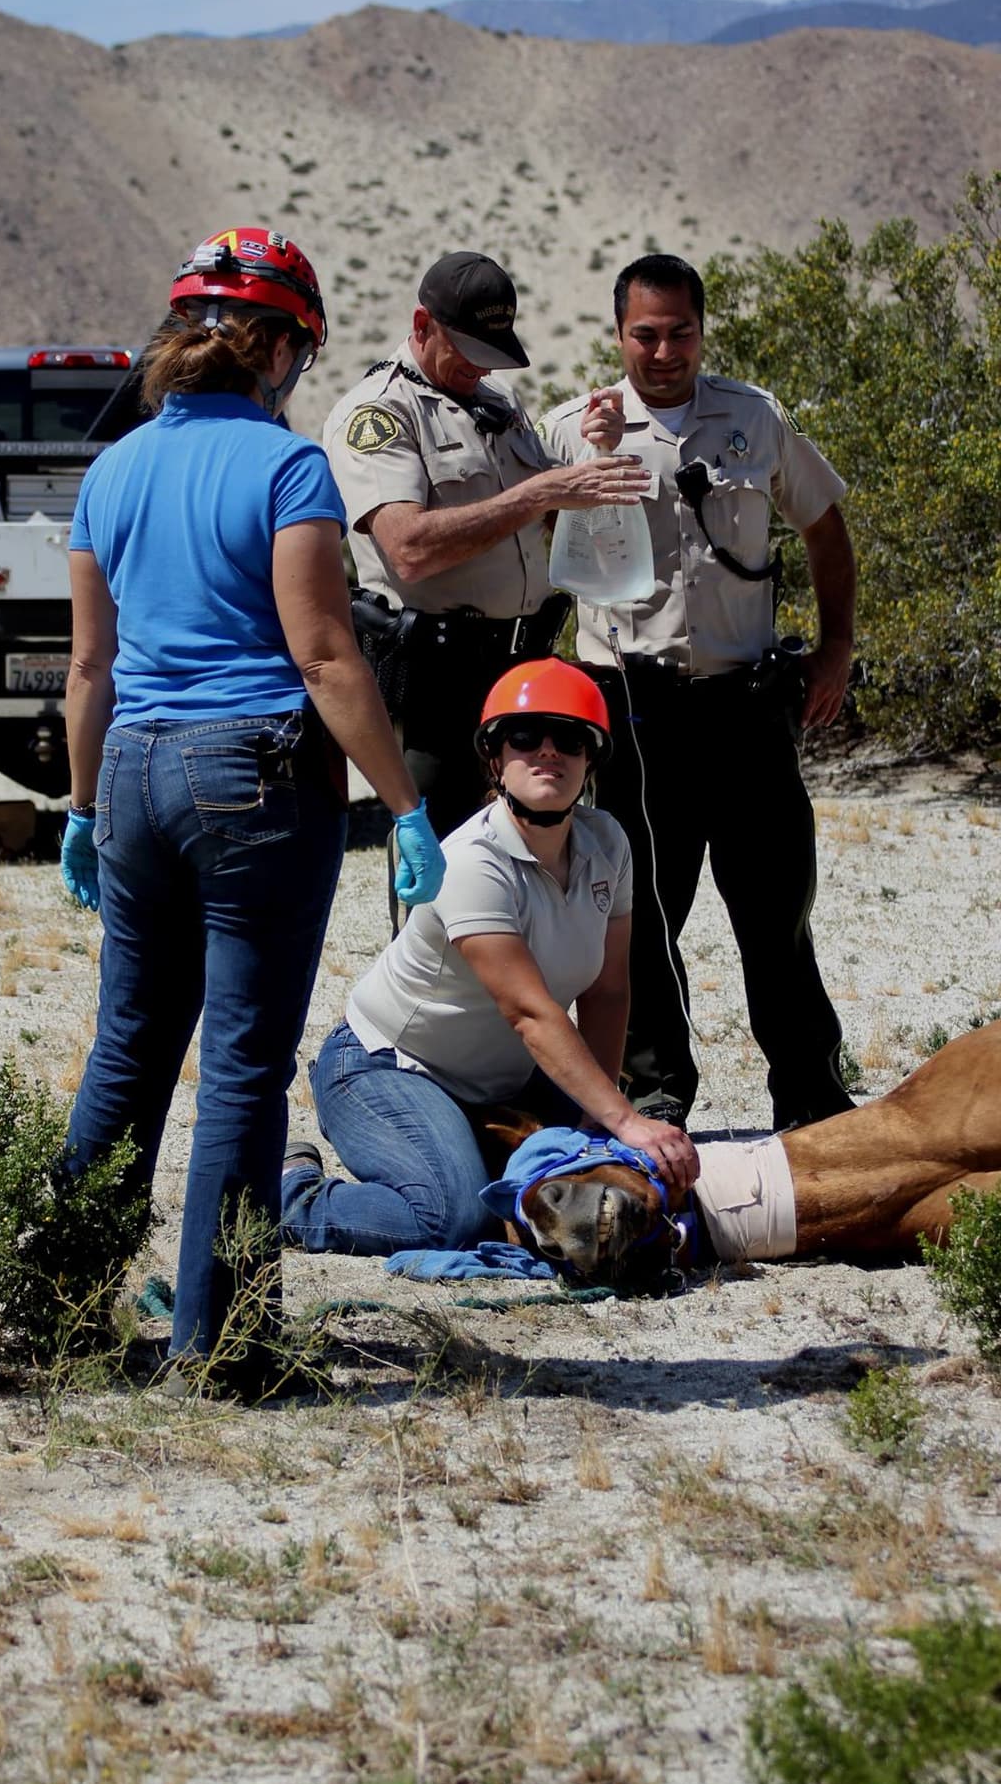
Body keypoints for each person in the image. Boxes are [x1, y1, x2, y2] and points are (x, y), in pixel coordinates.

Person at [58, 225, 445, 1396]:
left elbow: (88, 670)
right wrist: (405, 801)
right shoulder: (287, 469)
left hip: (130, 771)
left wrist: (79, 808)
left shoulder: (109, 469)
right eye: (300, 352)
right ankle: (221, 1355)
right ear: (276, 346)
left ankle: (57, 1307)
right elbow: (325, 654)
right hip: (252, 778)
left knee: (126, 1050)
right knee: (239, 1066)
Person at [539, 253, 856, 1134]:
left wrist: (836, 648)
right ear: (619, 335)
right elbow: (523, 554)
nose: (665, 350)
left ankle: (811, 1093)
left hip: (744, 704)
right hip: (632, 712)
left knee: (777, 905)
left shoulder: (754, 419)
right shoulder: (574, 429)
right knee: (641, 915)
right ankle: (656, 1092)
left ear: (702, 329)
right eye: (646, 333)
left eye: (681, 331)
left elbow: (826, 530)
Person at [281, 659, 699, 1257]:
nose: (548, 752)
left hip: (506, 1080)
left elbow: (606, 992)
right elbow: (529, 1012)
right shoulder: (473, 861)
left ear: (592, 758)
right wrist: (625, 1120)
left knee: (616, 1180)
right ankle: (291, 1193)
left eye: (571, 738)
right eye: (525, 736)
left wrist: (597, 1118)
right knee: (450, 1219)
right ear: (495, 758)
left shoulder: (609, 844)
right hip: (389, 1067)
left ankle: (468, 1150)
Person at [323, 250, 651, 917]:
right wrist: (542, 493)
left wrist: (593, 451)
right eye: (467, 348)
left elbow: (543, 514)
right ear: (422, 325)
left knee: (527, 881)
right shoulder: (379, 414)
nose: (481, 366)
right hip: (438, 689)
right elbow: (408, 548)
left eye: (492, 351)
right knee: (440, 898)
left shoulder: (494, 406)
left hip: (520, 678)